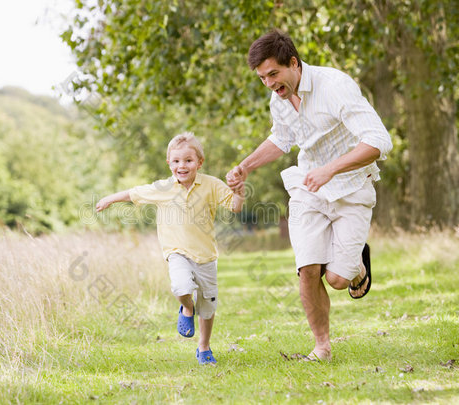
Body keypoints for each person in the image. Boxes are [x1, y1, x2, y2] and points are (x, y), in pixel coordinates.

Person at [226, 29, 392, 362]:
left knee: (337, 280)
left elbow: (378, 143)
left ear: (294, 63)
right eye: (262, 78)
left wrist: (331, 169)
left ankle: (356, 266)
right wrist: (246, 165)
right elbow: (281, 138)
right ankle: (322, 348)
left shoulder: (335, 87)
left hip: (352, 187)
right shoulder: (279, 98)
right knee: (308, 268)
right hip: (308, 186)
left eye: (274, 74)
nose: (270, 84)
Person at [97, 132, 244, 365]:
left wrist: (239, 190)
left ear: (199, 162)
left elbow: (235, 207)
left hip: (206, 256)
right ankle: (186, 308)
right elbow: (134, 193)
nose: (182, 166)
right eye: (176, 161)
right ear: (169, 163)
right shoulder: (163, 188)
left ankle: (204, 347)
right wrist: (109, 199)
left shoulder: (211, 185)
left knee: (207, 308)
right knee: (181, 285)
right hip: (176, 252)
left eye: (188, 160)